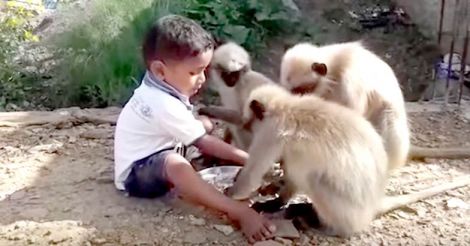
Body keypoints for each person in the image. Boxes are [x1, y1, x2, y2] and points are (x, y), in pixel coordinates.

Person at [113, 14, 276, 243]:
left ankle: (197, 166)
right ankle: (236, 210)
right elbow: (203, 141)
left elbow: (193, 131)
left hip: (158, 148)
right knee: (176, 165)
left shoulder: (159, 86)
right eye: (193, 72)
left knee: (204, 125)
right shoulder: (161, 103)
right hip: (137, 175)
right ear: (160, 70)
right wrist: (250, 160)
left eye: (204, 70)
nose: (201, 79)